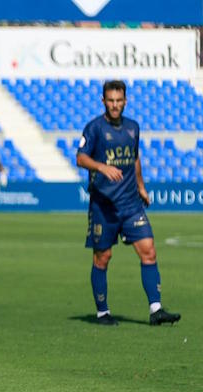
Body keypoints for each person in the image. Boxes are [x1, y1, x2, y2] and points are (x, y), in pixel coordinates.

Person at [76, 79, 180, 327]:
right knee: (103, 258)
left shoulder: (133, 127)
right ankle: (102, 313)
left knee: (149, 251)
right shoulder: (94, 128)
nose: (114, 105)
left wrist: (142, 187)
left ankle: (156, 310)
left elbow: (134, 159)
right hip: (104, 204)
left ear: (125, 101)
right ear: (103, 101)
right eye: (110, 101)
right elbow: (80, 158)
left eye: (118, 100)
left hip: (131, 203)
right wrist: (101, 167)